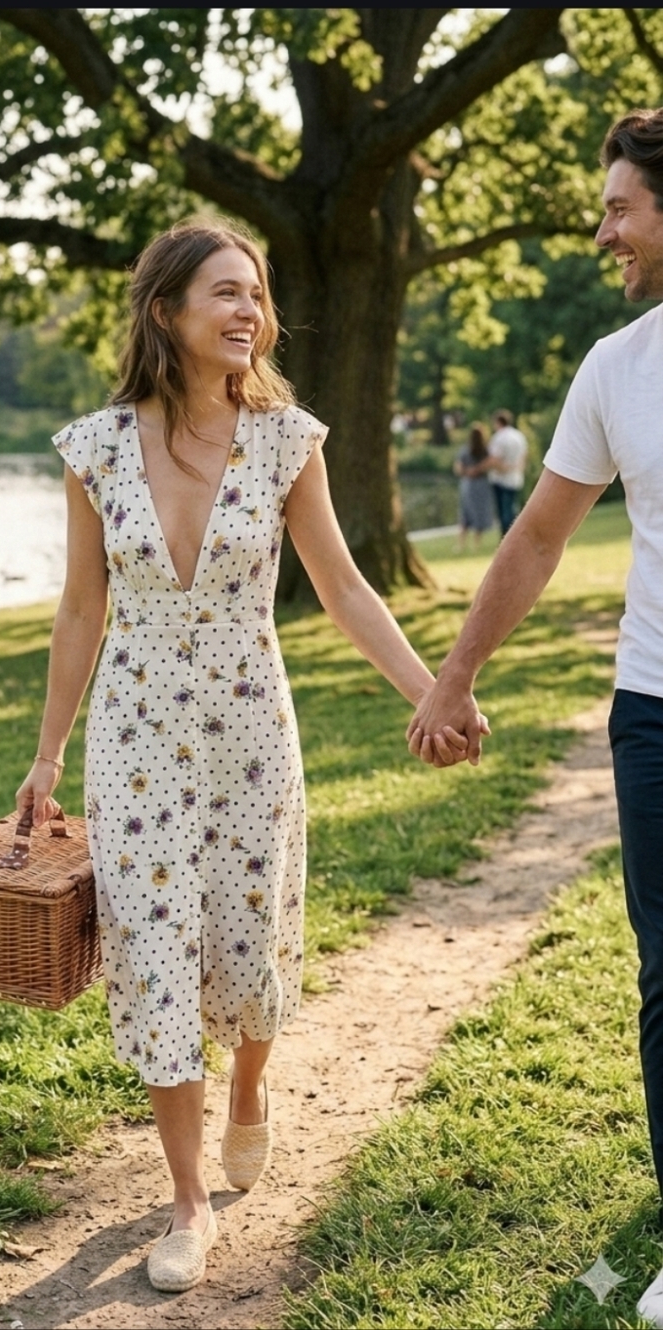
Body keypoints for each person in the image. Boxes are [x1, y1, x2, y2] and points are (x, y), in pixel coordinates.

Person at [18, 218, 444, 1293]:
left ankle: (251, 1082)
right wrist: (47, 756)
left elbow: (344, 588)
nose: (248, 311)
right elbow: (80, 609)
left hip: (252, 728)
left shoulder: (286, 441)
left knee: (250, 942)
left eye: (255, 294)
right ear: (167, 312)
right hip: (136, 737)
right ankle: (188, 1202)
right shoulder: (96, 448)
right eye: (225, 293)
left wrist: (435, 691)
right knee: (155, 952)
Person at [405, 107, 663, 1327]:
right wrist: (450, 678)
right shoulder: (615, 366)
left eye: (619, 205)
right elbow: (539, 535)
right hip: (655, 708)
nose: (601, 228)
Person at [486, 408, 529, 535]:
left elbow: (494, 459)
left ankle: (506, 535)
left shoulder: (499, 438)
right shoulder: (519, 436)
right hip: (516, 477)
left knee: (504, 511)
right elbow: (525, 455)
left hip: (501, 478)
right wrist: (518, 468)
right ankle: (514, 533)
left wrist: (504, 468)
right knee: (512, 507)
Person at [454, 422, 494, 551]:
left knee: (465, 513)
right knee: (479, 512)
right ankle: (476, 544)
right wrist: (478, 470)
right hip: (481, 483)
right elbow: (490, 463)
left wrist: (468, 472)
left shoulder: (465, 450)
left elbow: (458, 468)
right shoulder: (486, 450)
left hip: (468, 484)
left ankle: (460, 544)